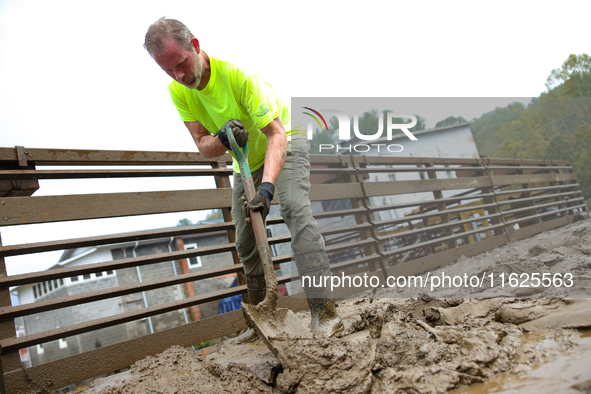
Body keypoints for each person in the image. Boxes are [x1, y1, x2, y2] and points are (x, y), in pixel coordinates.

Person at [144, 18, 343, 336]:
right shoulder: (179, 91)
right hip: (242, 158)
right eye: (169, 71)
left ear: (195, 47)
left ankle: (325, 312)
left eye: (181, 64)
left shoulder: (241, 77)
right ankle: (267, 319)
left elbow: (276, 135)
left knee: (294, 210)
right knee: (246, 240)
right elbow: (203, 146)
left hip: (284, 143)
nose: (179, 76)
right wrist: (221, 138)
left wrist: (266, 188)